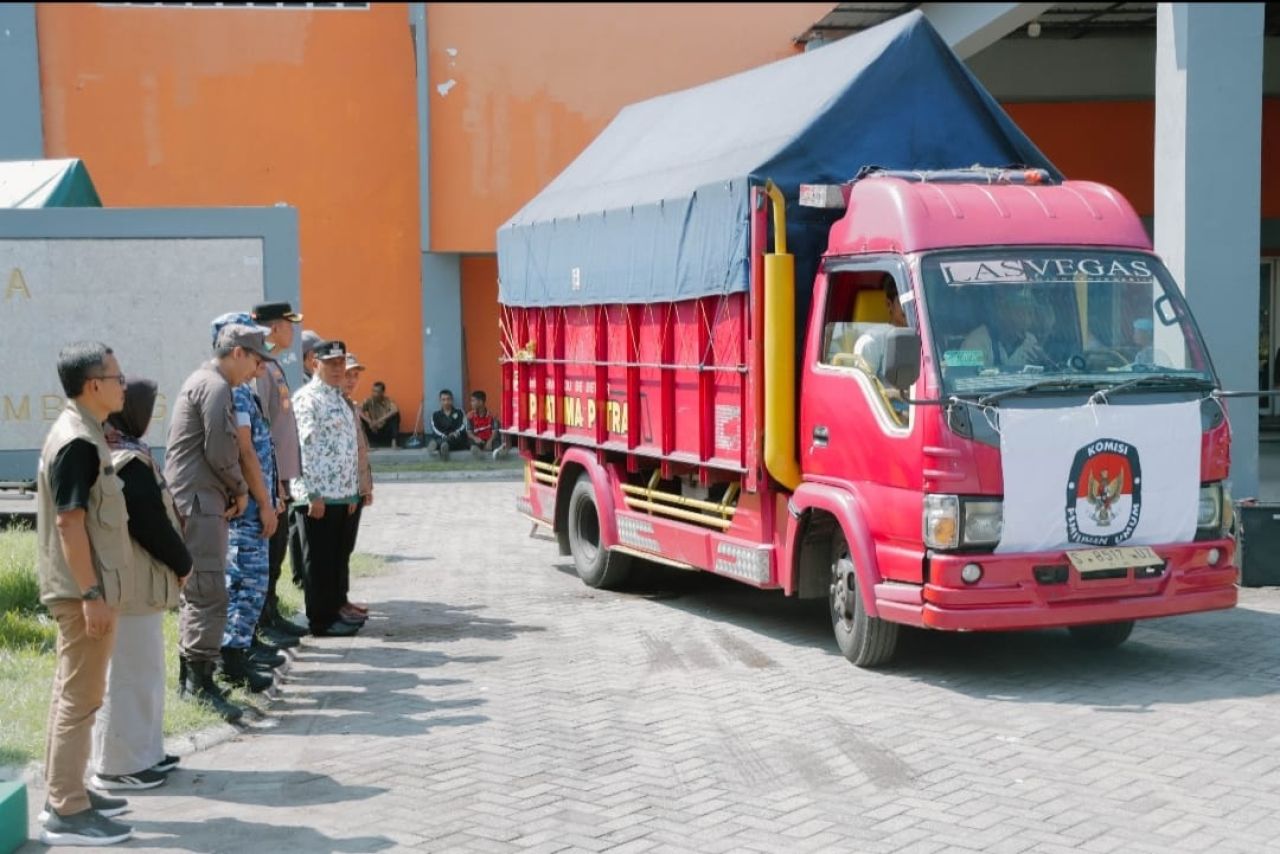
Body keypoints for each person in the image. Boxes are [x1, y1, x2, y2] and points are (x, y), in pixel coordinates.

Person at [35, 342, 134, 846]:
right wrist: (92, 592)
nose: (124, 383)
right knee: (80, 698)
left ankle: (67, 789)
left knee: (72, 695)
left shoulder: (85, 431)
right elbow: (69, 523)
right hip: (81, 593)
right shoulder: (78, 440)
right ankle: (66, 808)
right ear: (93, 385)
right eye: (116, 376)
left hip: (82, 589)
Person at [165, 324, 273, 723]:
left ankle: (195, 678)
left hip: (201, 499)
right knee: (209, 591)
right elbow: (221, 448)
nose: (257, 370)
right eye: (256, 359)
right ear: (238, 352)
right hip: (200, 501)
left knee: (203, 589)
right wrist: (241, 489)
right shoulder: (215, 387)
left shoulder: (207, 382)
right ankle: (199, 684)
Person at [89, 378, 190, 793]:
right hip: (130, 583)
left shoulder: (125, 450)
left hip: (140, 582)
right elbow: (150, 524)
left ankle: (147, 753)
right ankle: (118, 766)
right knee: (128, 675)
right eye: (146, 408)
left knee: (146, 670)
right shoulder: (125, 459)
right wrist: (183, 561)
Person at [211, 313, 280, 695]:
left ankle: (239, 651)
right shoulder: (234, 391)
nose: (258, 365)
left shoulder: (241, 388)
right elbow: (246, 451)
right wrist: (264, 503)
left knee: (252, 582)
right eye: (254, 355)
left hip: (259, 499)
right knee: (246, 582)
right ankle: (232, 660)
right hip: (250, 506)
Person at [290, 339, 363, 637]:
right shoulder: (308, 399)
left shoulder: (338, 398)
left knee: (334, 558)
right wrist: (311, 493)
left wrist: (353, 491)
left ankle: (334, 612)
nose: (337, 369)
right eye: (330, 363)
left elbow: (348, 448)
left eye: (340, 363)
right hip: (318, 495)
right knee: (318, 560)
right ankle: (320, 620)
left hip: (341, 494)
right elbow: (305, 448)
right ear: (315, 363)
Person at [250, 301, 308, 649]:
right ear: (273, 327)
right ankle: (260, 621)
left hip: (279, 479)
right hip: (268, 480)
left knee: (276, 553)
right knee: (266, 554)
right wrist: (271, 485)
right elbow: (259, 430)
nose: (292, 330)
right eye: (288, 324)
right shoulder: (259, 370)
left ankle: (270, 612)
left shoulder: (271, 365)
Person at [340, 354, 373, 625]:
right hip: (340, 490)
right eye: (348, 374)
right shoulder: (334, 405)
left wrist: (366, 487)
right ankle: (336, 603)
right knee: (337, 550)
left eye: (355, 375)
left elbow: (361, 450)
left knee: (346, 547)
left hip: (355, 488)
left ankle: (342, 599)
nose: (352, 380)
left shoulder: (350, 405)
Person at [960, 289, 1049, 370]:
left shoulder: (1030, 340)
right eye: (1021, 312)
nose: (1027, 319)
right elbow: (969, 380)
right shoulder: (974, 342)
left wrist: (1043, 365)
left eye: (1030, 313)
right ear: (1003, 313)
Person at [428, 389, 468, 460]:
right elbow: (434, 429)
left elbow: (464, 425)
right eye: (443, 400)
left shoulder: (459, 412)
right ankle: (442, 445)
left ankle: (439, 445)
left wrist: (455, 433)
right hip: (442, 436)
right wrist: (444, 436)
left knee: (458, 439)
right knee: (438, 438)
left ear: (452, 400)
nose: (446, 402)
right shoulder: (435, 415)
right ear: (440, 401)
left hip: (456, 437)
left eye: (448, 399)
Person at [465, 391, 507, 460]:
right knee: (470, 441)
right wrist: (475, 438)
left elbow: (495, 432)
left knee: (496, 441)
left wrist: (489, 442)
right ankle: (477, 452)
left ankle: (498, 453)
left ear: (481, 402)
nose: (471, 403)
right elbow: (469, 432)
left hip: (489, 439)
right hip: (477, 439)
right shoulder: (470, 416)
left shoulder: (492, 415)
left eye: (473, 401)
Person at [360, 381, 401, 448]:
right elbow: (357, 410)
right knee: (358, 417)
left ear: (382, 393)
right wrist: (369, 421)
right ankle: (365, 444)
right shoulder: (368, 400)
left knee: (395, 416)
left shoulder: (388, 401)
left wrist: (378, 421)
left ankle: (394, 443)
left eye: (377, 392)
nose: (374, 394)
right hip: (372, 431)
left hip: (384, 431)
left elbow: (395, 410)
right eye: (373, 391)